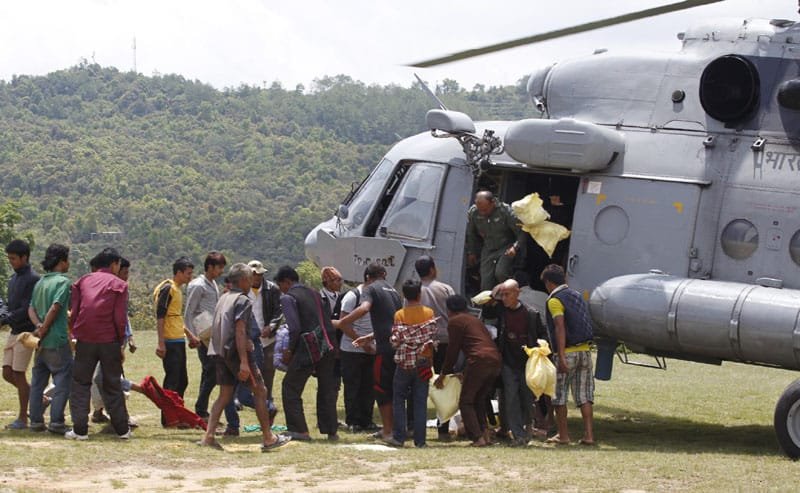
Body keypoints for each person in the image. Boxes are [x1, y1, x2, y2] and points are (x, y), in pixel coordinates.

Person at [198, 263, 290, 452]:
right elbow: (240, 330)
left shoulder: (224, 297)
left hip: (219, 352)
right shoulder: (243, 300)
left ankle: (208, 436)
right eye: (249, 279)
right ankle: (268, 438)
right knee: (260, 391)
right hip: (236, 353)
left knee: (224, 394)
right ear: (242, 281)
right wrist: (244, 362)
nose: (251, 282)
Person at [334, 263, 402, 441]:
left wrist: (341, 323)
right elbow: (393, 323)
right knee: (371, 386)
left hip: (379, 349)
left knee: (377, 388)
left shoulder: (371, 289)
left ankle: (384, 429)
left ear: (367, 277)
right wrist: (368, 338)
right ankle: (365, 423)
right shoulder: (393, 292)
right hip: (385, 346)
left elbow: (364, 309)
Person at [68, 247, 130, 440]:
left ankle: (80, 430)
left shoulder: (83, 281)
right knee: (112, 384)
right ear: (114, 264)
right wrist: (120, 342)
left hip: (85, 339)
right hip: (109, 340)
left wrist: (73, 334)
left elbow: (75, 311)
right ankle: (122, 430)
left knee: (80, 383)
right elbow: (120, 318)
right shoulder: (120, 284)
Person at [275, 265, 339, 441]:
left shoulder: (288, 298)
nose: (281, 290)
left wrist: (289, 350)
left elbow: (295, 327)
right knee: (326, 389)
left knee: (290, 386)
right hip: (328, 344)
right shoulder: (315, 293)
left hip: (308, 347)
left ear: (286, 282)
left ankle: (299, 430)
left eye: (281, 286)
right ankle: (331, 430)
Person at [435, 294, 502, 447]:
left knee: (466, 401)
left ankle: (477, 438)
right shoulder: (474, 319)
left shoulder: (455, 321)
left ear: (449, 310)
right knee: (479, 399)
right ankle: (485, 435)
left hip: (479, 360)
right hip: (495, 359)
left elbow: (453, 350)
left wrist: (444, 374)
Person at [540, 264, 595, 446]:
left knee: (559, 395)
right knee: (584, 395)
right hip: (585, 352)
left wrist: (561, 355)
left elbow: (559, 327)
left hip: (568, 353)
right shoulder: (576, 295)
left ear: (549, 282)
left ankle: (563, 435)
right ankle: (589, 435)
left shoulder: (554, 300)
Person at [495, 279, 548, 446]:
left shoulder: (531, 314)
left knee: (527, 398)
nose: (504, 298)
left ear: (517, 293)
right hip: (508, 363)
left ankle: (527, 428)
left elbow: (542, 335)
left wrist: (540, 351)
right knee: (511, 398)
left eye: (507, 294)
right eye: (502, 295)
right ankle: (518, 434)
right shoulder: (501, 313)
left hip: (528, 364)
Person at [384, 279, 436, 448]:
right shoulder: (429, 313)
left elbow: (396, 340)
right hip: (423, 361)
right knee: (420, 401)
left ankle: (399, 437)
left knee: (399, 398)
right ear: (419, 294)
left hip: (404, 362)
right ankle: (420, 441)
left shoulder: (399, 315)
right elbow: (431, 337)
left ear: (404, 296)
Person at [27, 244, 72, 434]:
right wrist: (45, 328)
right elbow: (56, 307)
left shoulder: (40, 282)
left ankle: (36, 421)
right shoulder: (63, 282)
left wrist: (38, 326)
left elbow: (31, 309)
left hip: (40, 342)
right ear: (62, 261)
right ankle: (56, 422)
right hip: (57, 339)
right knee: (63, 380)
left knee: (38, 382)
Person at [154, 256, 199, 426]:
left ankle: (178, 414)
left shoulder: (177, 289)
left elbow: (176, 318)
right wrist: (161, 342)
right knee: (172, 381)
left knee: (182, 380)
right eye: (188, 273)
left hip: (178, 339)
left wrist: (190, 335)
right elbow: (160, 316)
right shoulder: (168, 288)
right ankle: (169, 419)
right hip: (170, 341)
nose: (190, 277)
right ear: (178, 272)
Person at [414, 255, 455, 441]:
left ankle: (416, 426)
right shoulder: (445, 288)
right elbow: (454, 312)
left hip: (422, 344)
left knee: (420, 383)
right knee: (443, 383)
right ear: (432, 269)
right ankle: (443, 429)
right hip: (445, 341)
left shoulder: (415, 291)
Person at [2, 239, 40, 430]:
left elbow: (27, 308)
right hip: (13, 331)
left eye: (14, 258)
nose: (11, 262)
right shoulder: (13, 279)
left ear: (24, 257)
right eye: (9, 258)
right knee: (7, 373)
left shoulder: (33, 279)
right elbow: (9, 305)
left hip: (26, 332)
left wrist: (7, 317)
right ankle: (40, 399)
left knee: (18, 374)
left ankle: (23, 418)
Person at [184, 251, 226, 420]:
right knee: (212, 371)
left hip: (212, 333)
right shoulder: (198, 285)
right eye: (219, 267)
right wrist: (192, 336)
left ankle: (201, 410)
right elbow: (189, 312)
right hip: (202, 334)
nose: (221, 271)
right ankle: (201, 410)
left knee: (209, 371)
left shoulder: (213, 284)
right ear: (210, 267)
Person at [337, 267, 376, 432]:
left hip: (371, 349)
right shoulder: (353, 296)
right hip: (351, 350)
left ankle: (367, 420)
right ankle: (353, 421)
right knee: (352, 386)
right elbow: (343, 323)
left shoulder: (376, 296)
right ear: (368, 277)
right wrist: (362, 342)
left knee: (369, 386)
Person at [466, 190, 527, 292]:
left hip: (506, 247)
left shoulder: (505, 211)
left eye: (485, 210)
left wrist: (515, 247)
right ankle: (490, 301)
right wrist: (472, 252)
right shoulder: (474, 212)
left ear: (493, 202)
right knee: (485, 284)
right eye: (480, 210)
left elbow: (522, 232)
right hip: (488, 248)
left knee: (501, 273)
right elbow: (471, 233)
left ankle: (512, 295)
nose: (482, 213)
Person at [247, 259, 282, 423]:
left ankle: (268, 402)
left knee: (268, 371)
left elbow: (278, 311)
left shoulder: (272, 289)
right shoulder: (241, 289)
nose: (257, 277)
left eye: (260, 274)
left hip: (268, 338)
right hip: (248, 338)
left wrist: (271, 326)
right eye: (254, 274)